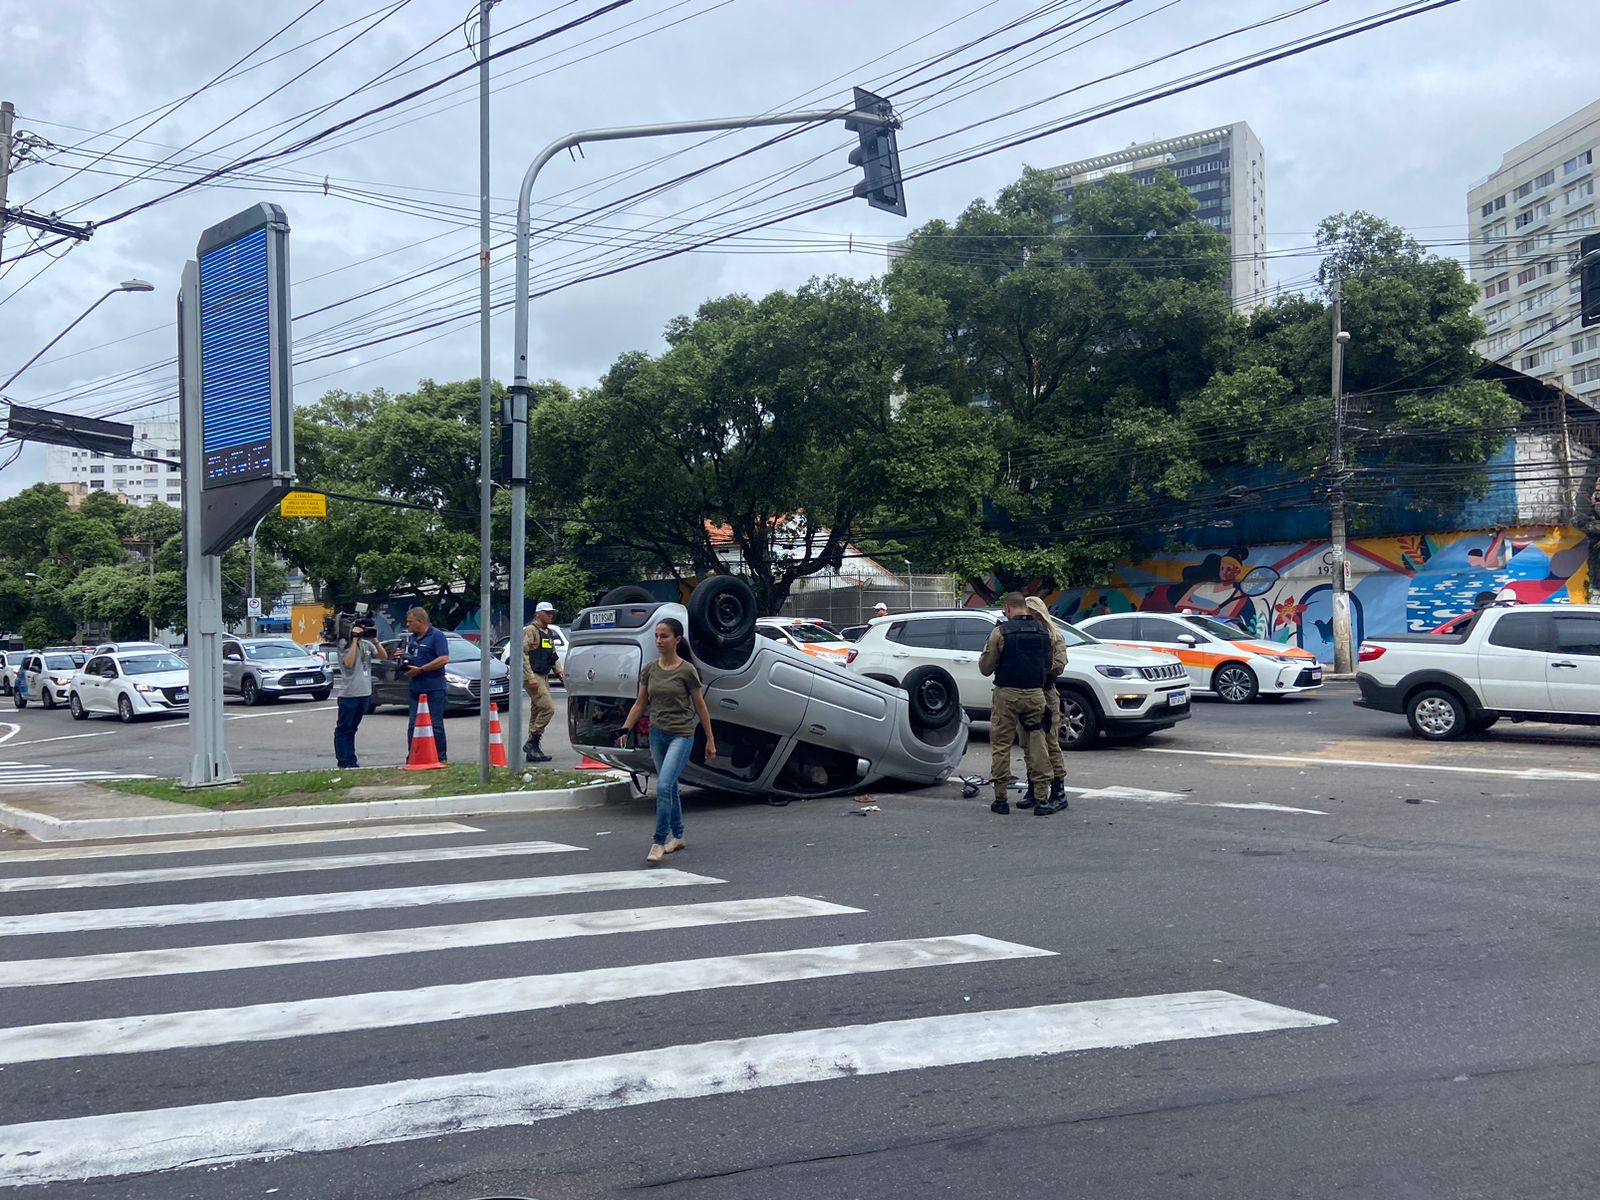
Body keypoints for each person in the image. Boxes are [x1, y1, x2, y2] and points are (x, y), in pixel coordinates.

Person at [619, 616, 717, 864]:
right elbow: (640, 704)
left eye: (664, 636)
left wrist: (710, 740)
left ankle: (659, 840)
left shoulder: (687, 670)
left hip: (682, 734)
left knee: (663, 786)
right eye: (657, 636)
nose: (659, 641)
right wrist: (624, 729)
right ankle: (679, 835)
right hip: (657, 733)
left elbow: (701, 707)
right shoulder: (650, 669)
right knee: (669, 786)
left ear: (677, 639)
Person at [978, 593, 1060, 817]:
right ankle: (1042, 799)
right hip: (1035, 694)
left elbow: (985, 667)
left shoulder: (1000, 632)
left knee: (1001, 745)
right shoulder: (1045, 631)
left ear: (1007, 609)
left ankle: (1001, 798)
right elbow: (1050, 664)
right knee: (1038, 743)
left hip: (1007, 693)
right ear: (1025, 607)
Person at [1024, 595, 1069, 812]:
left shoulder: (1053, 635)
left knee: (1050, 743)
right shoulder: (1023, 633)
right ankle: (1034, 788)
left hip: (1046, 692)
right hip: (1026, 692)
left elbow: (1059, 665)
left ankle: (1058, 791)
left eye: (1032, 613)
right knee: (1028, 743)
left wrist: (1037, 663)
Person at [333, 617, 389, 768]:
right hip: (349, 693)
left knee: (352, 729)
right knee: (344, 729)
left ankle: (352, 760)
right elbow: (349, 664)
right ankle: (344, 761)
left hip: (364, 692)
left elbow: (383, 656)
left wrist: (374, 639)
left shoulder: (367, 644)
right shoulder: (344, 644)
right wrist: (354, 640)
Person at [402, 606, 451, 763]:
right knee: (413, 724)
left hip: (434, 687)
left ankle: (440, 757)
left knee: (435, 724)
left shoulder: (436, 636)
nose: (408, 625)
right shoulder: (412, 638)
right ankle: (414, 755)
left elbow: (443, 658)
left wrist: (422, 669)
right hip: (416, 688)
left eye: (410, 622)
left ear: (420, 621)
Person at [522, 601, 564, 763]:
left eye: (552, 612)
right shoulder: (531, 630)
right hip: (534, 675)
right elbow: (523, 654)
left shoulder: (548, 632)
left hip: (544, 674)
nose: (550, 615)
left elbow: (552, 654)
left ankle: (533, 750)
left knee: (537, 710)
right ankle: (531, 742)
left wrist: (559, 671)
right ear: (538, 614)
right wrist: (530, 676)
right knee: (548, 708)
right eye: (547, 612)